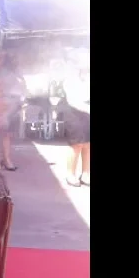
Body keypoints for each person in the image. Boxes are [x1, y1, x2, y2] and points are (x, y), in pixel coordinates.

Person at [62, 57, 90, 187]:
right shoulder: (70, 80)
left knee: (88, 145)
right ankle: (70, 174)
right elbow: (73, 100)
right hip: (74, 114)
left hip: (87, 113)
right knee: (76, 145)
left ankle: (86, 174)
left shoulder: (87, 77)